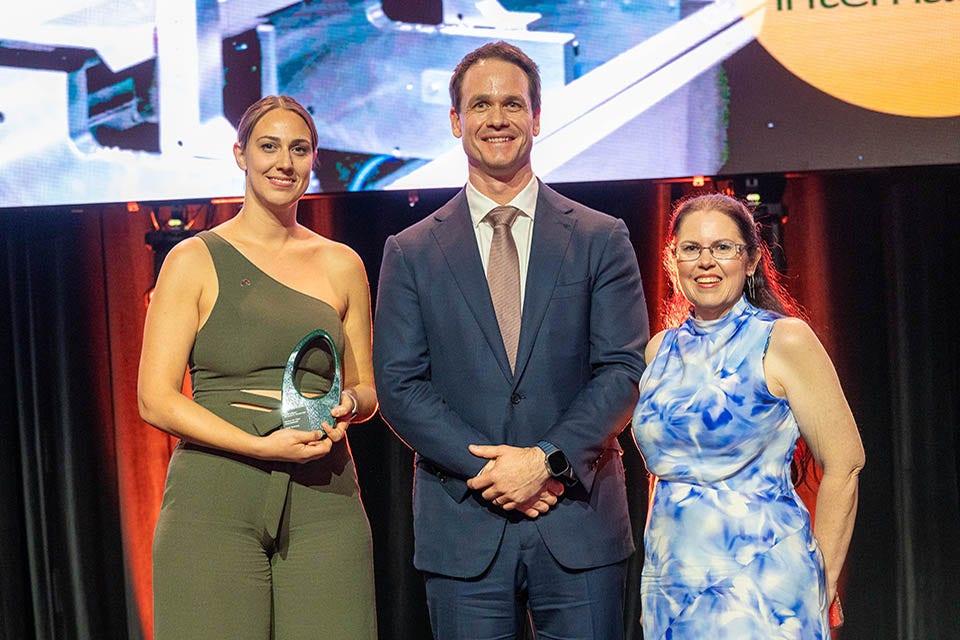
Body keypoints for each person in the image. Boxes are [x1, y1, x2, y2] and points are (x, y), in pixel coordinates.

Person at [372, 41, 649, 639]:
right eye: (480, 104)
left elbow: (622, 370)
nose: (496, 118)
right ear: (455, 121)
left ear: (537, 118)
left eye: (512, 104)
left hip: (579, 520)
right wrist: (498, 472)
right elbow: (399, 384)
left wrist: (545, 460)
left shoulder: (602, 238)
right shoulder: (411, 251)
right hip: (464, 525)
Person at [137, 95, 378, 639]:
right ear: (240, 154)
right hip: (214, 499)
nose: (283, 163)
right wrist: (260, 446)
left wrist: (350, 404)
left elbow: (367, 389)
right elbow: (155, 398)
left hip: (324, 498)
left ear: (314, 160)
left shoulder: (342, 264)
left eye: (298, 149)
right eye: (268, 147)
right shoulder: (193, 258)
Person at [632, 192, 865, 638]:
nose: (706, 261)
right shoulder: (659, 350)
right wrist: (654, 585)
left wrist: (822, 581)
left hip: (763, 584)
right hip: (672, 587)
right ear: (672, 260)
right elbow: (662, 477)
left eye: (723, 247)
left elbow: (845, 462)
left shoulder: (784, 340)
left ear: (752, 260)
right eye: (692, 249)